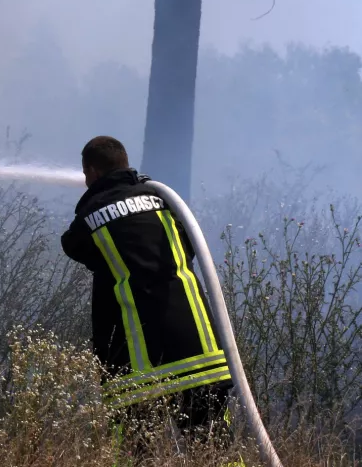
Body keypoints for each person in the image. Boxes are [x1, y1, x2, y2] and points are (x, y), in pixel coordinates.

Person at [60, 136, 241, 465]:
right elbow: (187, 249)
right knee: (216, 453)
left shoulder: (90, 218)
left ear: (92, 172)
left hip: (138, 366)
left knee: (136, 454)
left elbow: (73, 246)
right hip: (198, 350)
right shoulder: (164, 200)